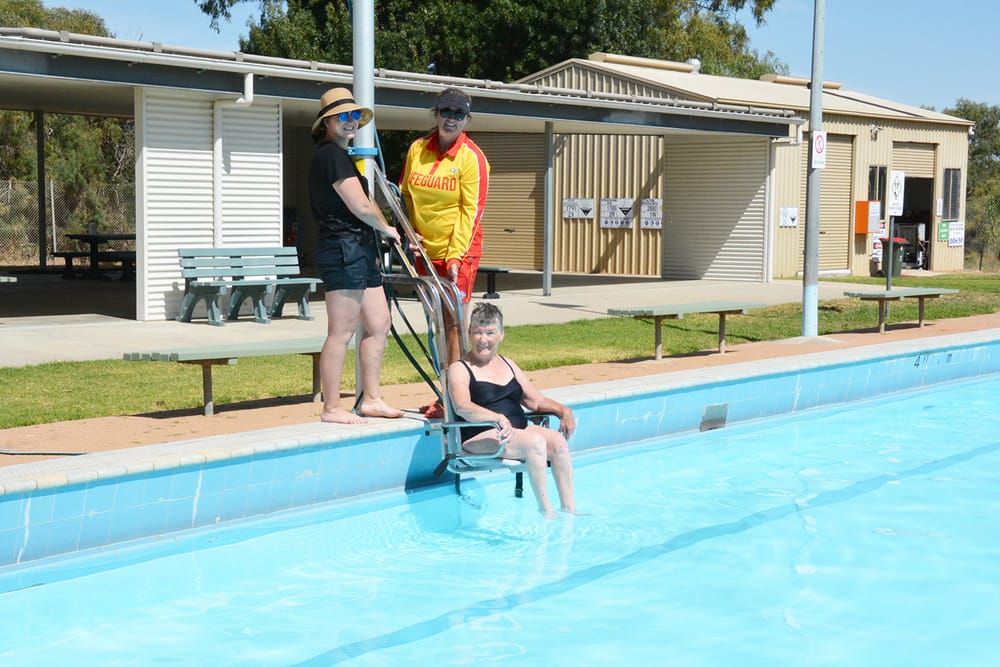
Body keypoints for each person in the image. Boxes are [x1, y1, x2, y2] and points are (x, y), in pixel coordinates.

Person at [308, 87, 404, 424]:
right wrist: (387, 230)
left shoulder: (344, 157)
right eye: (343, 117)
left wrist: (385, 227)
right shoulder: (330, 156)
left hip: (359, 249)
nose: (350, 122)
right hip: (341, 248)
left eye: (353, 116)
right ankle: (331, 407)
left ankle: (371, 399)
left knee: (379, 323)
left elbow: (367, 202)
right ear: (328, 122)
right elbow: (360, 204)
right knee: (342, 331)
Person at [400, 87, 490, 416]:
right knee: (435, 324)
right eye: (445, 112)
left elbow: (472, 212)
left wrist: (454, 256)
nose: (451, 119)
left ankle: (456, 399)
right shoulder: (417, 150)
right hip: (425, 251)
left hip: (459, 252)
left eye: (458, 115)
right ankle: (445, 393)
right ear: (436, 113)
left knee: (453, 324)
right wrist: (410, 234)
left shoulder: (472, 158)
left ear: (466, 119)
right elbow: (406, 195)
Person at [447, 303, 578, 517]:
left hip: (516, 431)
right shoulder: (460, 369)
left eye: (490, 332)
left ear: (501, 335)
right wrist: (496, 418)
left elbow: (534, 401)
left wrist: (563, 411)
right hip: (480, 435)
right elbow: (463, 406)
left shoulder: (508, 364)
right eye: (478, 332)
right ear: (470, 333)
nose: (483, 339)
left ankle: (569, 509)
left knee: (558, 442)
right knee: (535, 443)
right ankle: (546, 512)